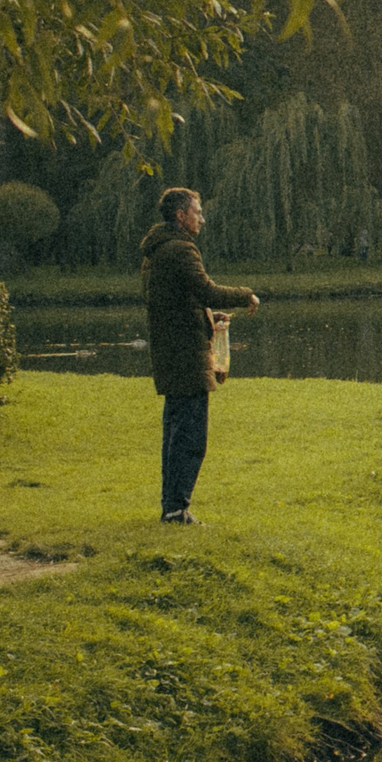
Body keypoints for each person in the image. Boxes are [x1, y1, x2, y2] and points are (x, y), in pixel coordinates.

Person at [140, 188, 257, 524]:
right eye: (197, 212)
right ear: (181, 215)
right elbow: (205, 289)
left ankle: (172, 506)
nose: (202, 219)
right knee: (190, 437)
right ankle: (177, 509)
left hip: (171, 352)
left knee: (175, 434)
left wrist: (208, 317)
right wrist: (246, 295)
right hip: (186, 355)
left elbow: (176, 300)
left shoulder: (156, 249)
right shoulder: (180, 250)